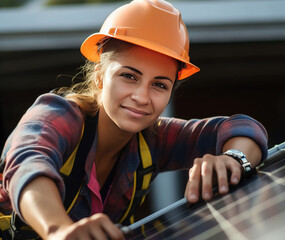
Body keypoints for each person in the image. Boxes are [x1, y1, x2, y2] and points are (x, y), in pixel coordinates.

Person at [0, 0, 268, 239]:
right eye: (129, 76)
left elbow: (243, 127)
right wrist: (58, 229)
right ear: (100, 76)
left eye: (159, 85)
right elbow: (28, 163)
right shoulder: (57, 114)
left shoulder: (154, 139)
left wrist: (234, 158)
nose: (142, 97)